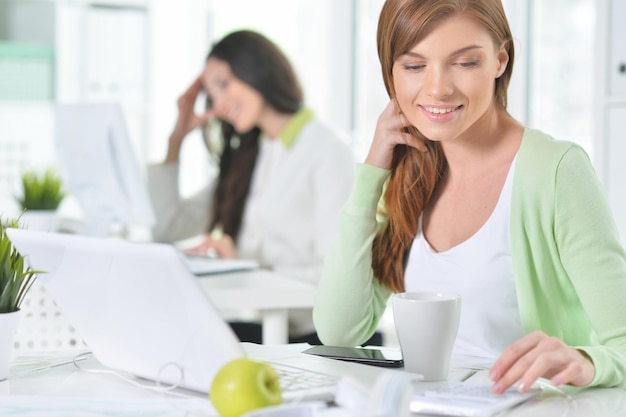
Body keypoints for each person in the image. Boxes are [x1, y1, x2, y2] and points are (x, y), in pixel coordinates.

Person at [313, 0, 626, 394]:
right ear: (390, 73)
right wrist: (372, 173)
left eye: (464, 63)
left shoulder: (556, 170)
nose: (438, 88)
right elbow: (339, 331)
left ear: (499, 60)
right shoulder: (406, 175)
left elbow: (623, 343)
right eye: (413, 66)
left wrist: (584, 361)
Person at [148, 30, 358, 345]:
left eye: (223, 85)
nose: (217, 105)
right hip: (270, 332)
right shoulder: (248, 157)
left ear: (256, 68)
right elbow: (166, 227)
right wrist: (175, 139)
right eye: (211, 95)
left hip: (316, 340)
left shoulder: (327, 150)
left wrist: (246, 269)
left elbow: (340, 279)